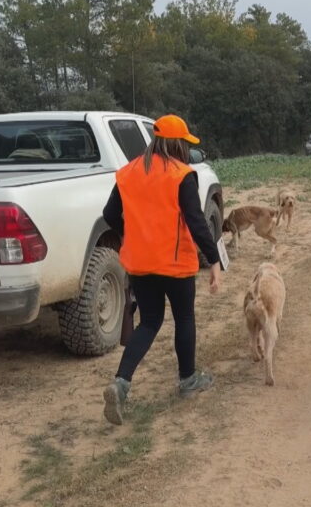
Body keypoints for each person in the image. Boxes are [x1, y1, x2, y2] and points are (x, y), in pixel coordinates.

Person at [101, 114, 222, 425]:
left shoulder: (128, 172)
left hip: (141, 263)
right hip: (175, 264)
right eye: (185, 143)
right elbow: (196, 222)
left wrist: (130, 234)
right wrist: (214, 259)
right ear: (178, 144)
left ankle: (121, 384)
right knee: (184, 318)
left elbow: (110, 214)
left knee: (149, 322)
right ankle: (188, 380)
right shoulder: (181, 175)